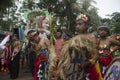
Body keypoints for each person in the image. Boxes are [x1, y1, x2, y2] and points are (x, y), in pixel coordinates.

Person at [57, 13, 98, 80]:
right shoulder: (74, 38)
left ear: (87, 25)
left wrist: (86, 63)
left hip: (85, 69)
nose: (77, 26)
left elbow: (96, 56)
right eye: (77, 24)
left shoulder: (91, 37)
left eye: (80, 24)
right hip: (72, 68)